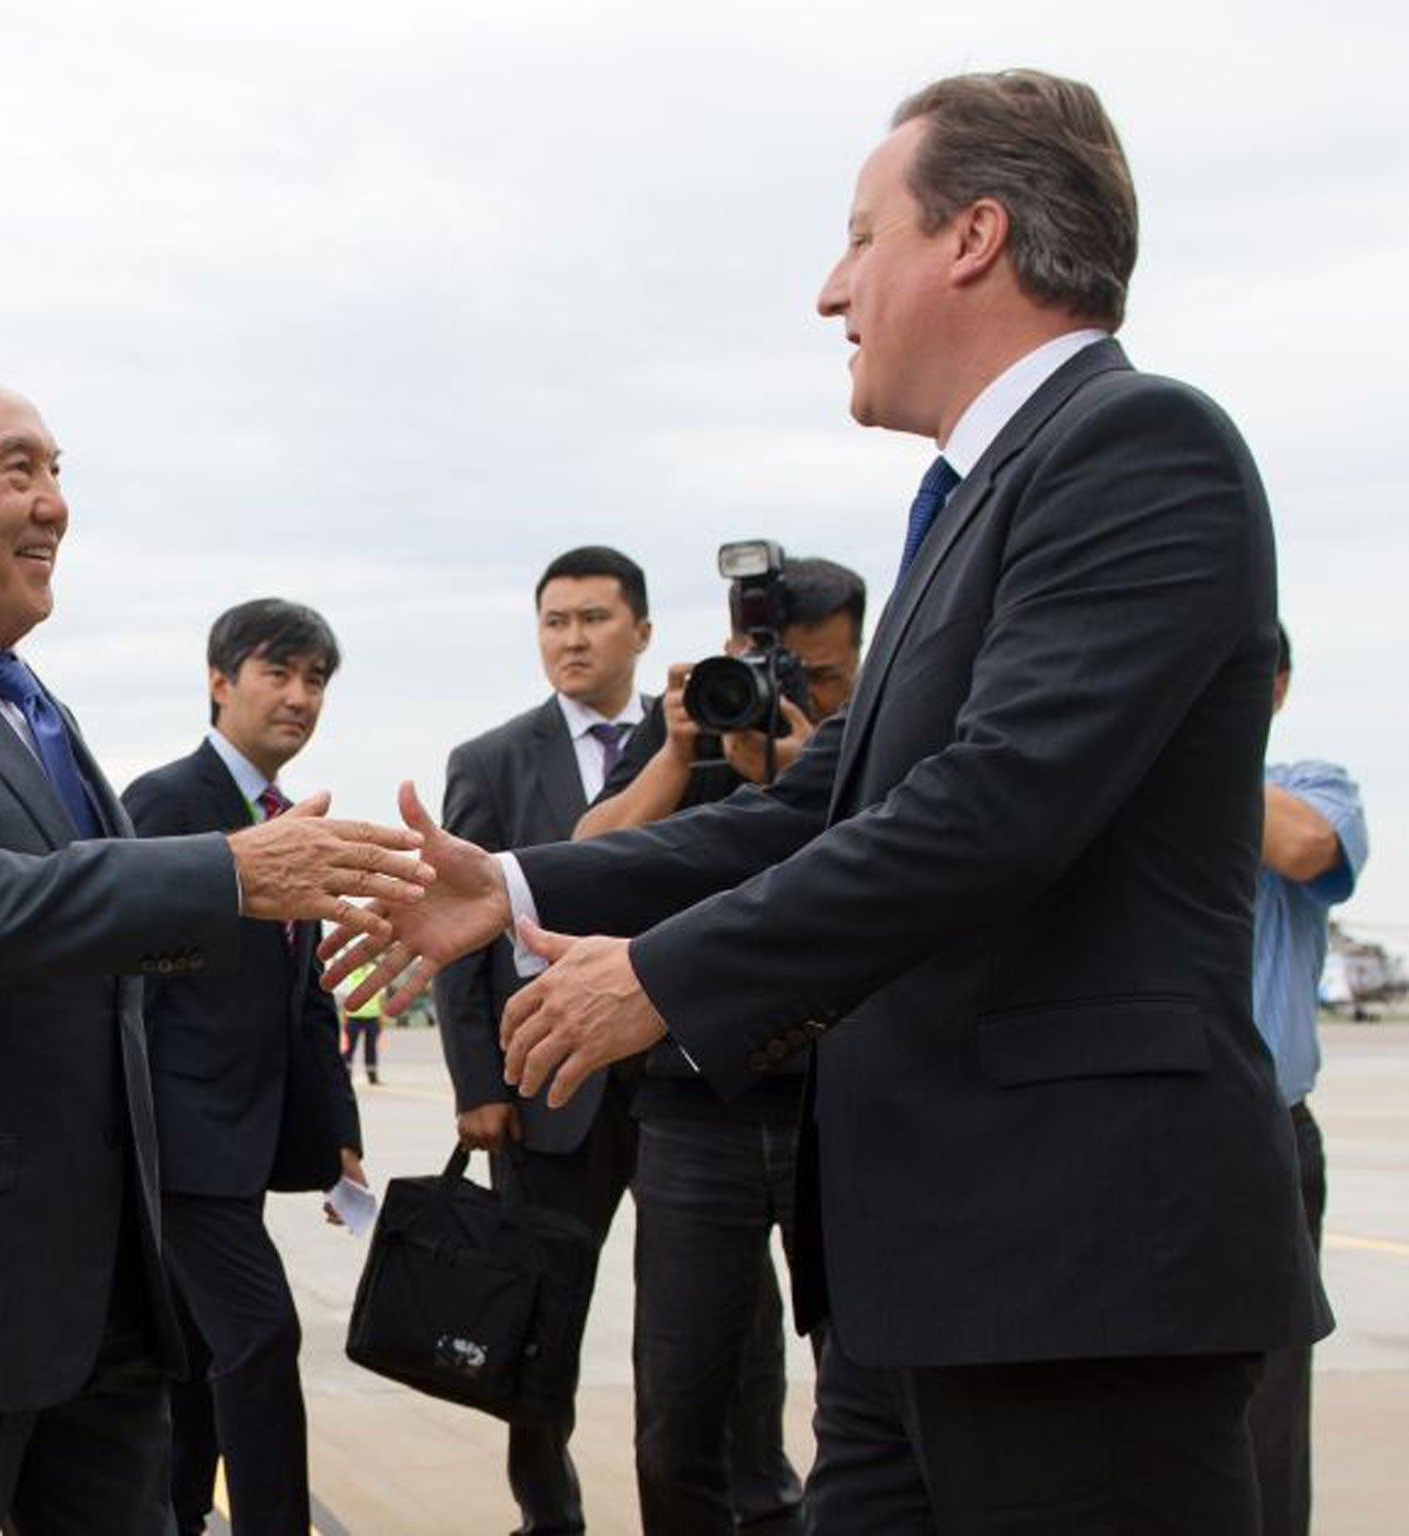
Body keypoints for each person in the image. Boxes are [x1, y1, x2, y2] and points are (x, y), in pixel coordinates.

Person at [333, 70, 1328, 1533]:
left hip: (1081, 1261)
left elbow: (993, 810)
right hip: (921, 1274)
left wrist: (663, 981)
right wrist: (525, 886)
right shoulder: (970, 503)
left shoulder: (1137, 449)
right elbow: (833, 808)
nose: (828, 289)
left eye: (861, 237)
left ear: (975, 237)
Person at [0, 351, 427, 1533]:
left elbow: (99, 941)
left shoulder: (33, 704)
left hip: (102, 1298)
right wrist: (222, 873)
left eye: (56, 469)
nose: (54, 501)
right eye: (17, 469)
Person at [579, 557, 865, 1535]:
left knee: (865, 1392)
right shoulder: (687, 738)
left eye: (820, 677)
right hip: (692, 1114)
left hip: (834, 1109)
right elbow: (589, 849)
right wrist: (678, 757)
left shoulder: (875, 747)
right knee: (677, 1405)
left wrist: (807, 770)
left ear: (861, 663)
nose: (790, 693)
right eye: (768, 666)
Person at [122, 597, 365, 1536]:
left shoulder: (288, 818)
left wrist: (334, 1129)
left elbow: (306, 995)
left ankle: (176, 1516)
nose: (299, 697)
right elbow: (123, 979)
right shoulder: (167, 803)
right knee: (262, 1336)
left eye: (315, 682)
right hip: (179, 1143)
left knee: (192, 1355)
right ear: (220, 683)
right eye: (278, 673)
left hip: (247, 1138)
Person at [433, 544, 650, 1536]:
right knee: (540, 1328)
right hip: (543, 1086)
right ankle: (546, 1518)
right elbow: (458, 941)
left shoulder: (690, 745)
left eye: (593, 618)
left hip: (686, 1082)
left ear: (639, 632)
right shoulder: (488, 762)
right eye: (554, 621)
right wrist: (477, 1083)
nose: (571, 639)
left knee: (707, 1327)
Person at [1248, 622, 1367, 1536]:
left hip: (1264, 1135)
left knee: (1267, 1411)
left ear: (1276, 687)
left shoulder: (1307, 787)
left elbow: (1303, 851)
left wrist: (1181, 726)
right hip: (1128, 1133)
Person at [341, 963, 386, 1083]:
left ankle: (372, 1076)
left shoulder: (375, 970)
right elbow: (345, 997)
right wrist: (344, 1018)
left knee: (371, 1048)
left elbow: (381, 997)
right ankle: (346, 1076)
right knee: (349, 1049)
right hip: (353, 1017)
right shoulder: (351, 973)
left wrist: (381, 1017)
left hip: (372, 1017)